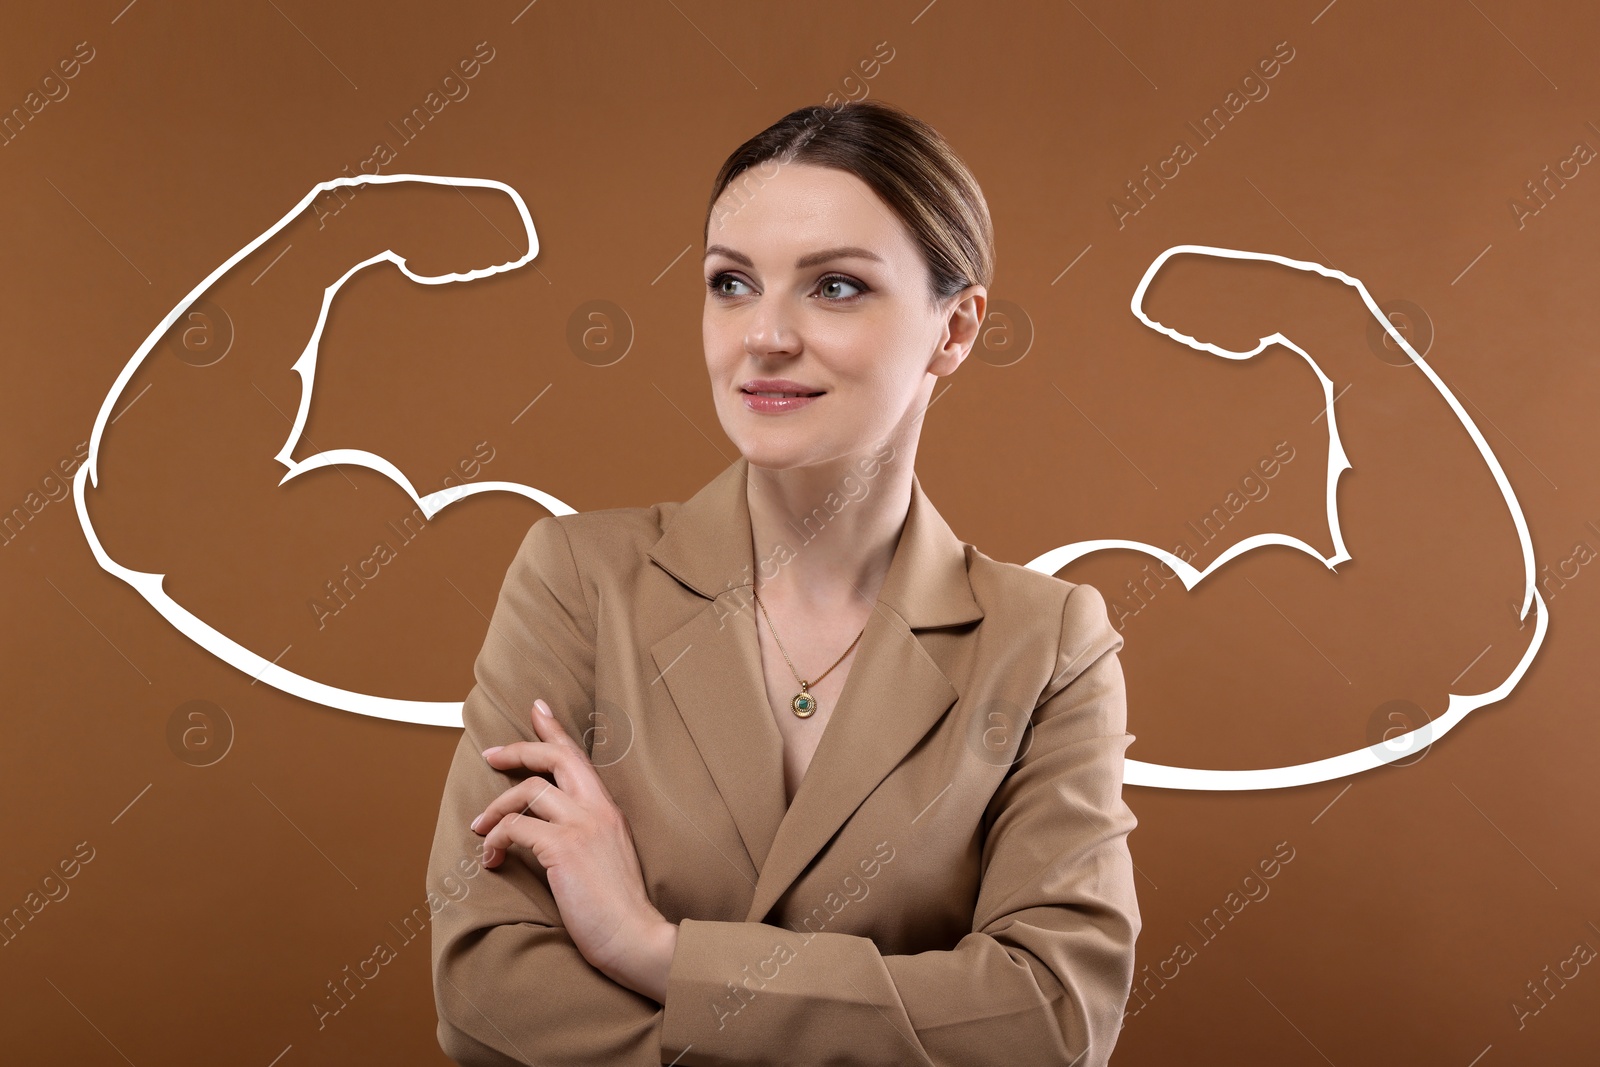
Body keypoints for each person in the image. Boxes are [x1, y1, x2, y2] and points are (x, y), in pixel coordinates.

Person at [427, 98, 1141, 1066]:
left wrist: (655, 949)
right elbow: (488, 993)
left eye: (834, 286)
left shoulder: (1046, 639)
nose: (762, 335)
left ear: (955, 328)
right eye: (730, 283)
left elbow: (1050, 1021)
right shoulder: (579, 577)